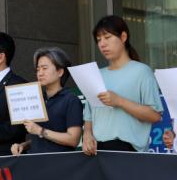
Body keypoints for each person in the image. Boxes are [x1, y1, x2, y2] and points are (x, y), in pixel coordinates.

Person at [83, 15, 163, 155]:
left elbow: (155, 115)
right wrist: (87, 135)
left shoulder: (141, 71)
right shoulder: (96, 75)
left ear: (123, 37)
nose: (102, 44)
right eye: (99, 40)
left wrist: (119, 101)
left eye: (107, 37)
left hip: (127, 149)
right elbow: (89, 116)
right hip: (96, 150)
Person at [11, 47, 83, 155]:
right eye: (38, 69)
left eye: (44, 68)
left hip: (60, 165)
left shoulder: (71, 99)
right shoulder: (38, 99)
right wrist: (23, 145)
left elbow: (73, 140)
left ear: (60, 72)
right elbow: (41, 138)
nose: (40, 73)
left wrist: (41, 131)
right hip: (35, 163)